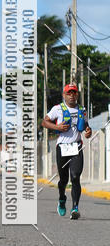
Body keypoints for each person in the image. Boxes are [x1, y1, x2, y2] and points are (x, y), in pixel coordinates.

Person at [42, 82, 92, 219]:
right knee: (63, 179)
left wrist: (88, 131)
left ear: (77, 95)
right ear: (64, 95)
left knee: (75, 177)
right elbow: (44, 122)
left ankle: (75, 208)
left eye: (74, 92)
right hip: (62, 148)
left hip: (76, 147)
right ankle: (62, 199)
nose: (72, 95)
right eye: (69, 93)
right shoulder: (57, 109)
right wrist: (57, 127)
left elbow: (86, 126)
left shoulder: (82, 109)